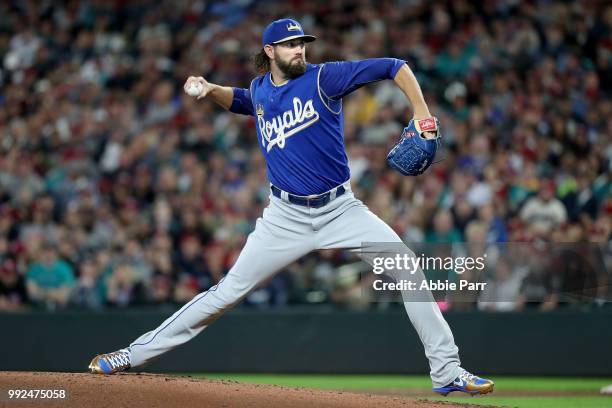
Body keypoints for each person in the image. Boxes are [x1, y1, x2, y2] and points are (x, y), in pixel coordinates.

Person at [89, 18, 494, 396]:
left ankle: (446, 371)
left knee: (408, 270)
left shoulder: (324, 78)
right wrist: (211, 89)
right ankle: (132, 354)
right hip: (284, 217)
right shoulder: (262, 89)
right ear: (269, 51)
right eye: (289, 45)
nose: (299, 50)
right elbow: (246, 101)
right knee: (226, 292)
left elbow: (394, 65)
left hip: (341, 209)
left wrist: (421, 110)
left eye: (301, 43)